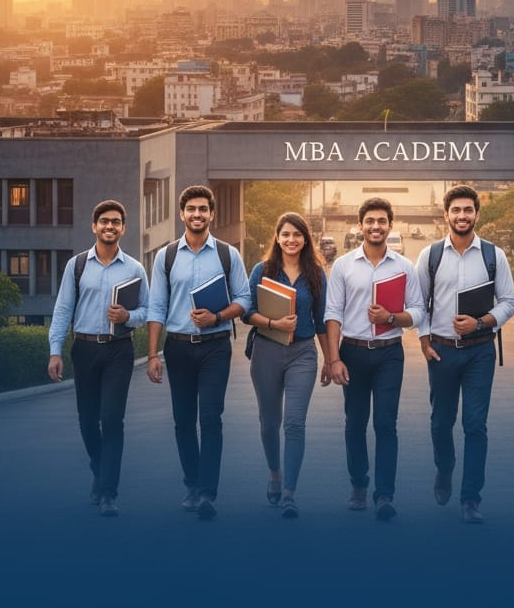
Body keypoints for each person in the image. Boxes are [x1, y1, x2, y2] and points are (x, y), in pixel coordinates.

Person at [146, 184, 251, 520]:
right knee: (183, 420)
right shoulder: (166, 256)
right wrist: (152, 355)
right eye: (191, 209)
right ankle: (192, 483)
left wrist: (217, 317)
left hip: (215, 347)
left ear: (211, 214)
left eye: (203, 209)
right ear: (182, 214)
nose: (197, 214)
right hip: (177, 348)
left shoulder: (227, 254)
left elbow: (245, 300)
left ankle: (207, 492)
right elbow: (156, 306)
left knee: (210, 417)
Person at [416, 185, 514, 524]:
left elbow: (509, 302)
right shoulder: (431, 256)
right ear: (446, 215)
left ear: (477, 214)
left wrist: (481, 322)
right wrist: (425, 342)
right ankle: (444, 468)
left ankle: (471, 498)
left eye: (467, 210)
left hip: (479, 353)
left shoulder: (493, 255)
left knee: (475, 425)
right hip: (442, 352)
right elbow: (418, 305)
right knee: (441, 423)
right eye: (455, 210)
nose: (462, 216)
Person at [48, 199, 148, 517]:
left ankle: (108, 493)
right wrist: (55, 351)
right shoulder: (77, 266)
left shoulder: (134, 268)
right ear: (94, 226)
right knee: (88, 422)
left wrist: (127, 315)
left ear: (123, 228)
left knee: (112, 419)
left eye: (115, 222)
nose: (109, 226)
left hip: (119, 349)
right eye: (104, 221)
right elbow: (63, 309)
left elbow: (147, 312)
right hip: (85, 348)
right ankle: (100, 469)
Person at [325, 197, 423, 521]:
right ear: (360, 225)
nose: (376, 226)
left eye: (382, 221)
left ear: (390, 226)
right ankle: (358, 484)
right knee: (354, 424)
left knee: (385, 424)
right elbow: (332, 313)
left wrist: (392, 317)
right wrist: (333, 358)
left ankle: (384, 495)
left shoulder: (404, 267)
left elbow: (419, 313)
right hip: (351, 352)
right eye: (370, 221)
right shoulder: (343, 266)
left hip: (389, 354)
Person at [243, 212, 331, 520]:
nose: (291, 240)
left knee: (294, 423)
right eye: (286, 234)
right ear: (277, 238)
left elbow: (321, 322)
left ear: (306, 239)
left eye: (297, 234)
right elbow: (246, 312)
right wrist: (272, 322)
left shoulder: (317, 275)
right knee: (269, 422)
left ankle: (290, 493)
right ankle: (274, 474)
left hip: (303, 353)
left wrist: (331, 360)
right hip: (266, 350)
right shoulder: (262, 270)